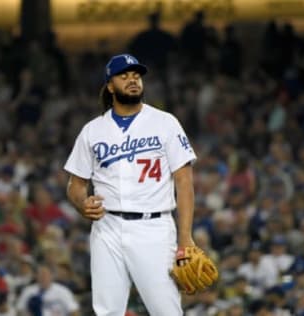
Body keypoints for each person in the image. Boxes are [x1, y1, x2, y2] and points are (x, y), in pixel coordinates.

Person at [64, 54, 197, 315]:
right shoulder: (93, 130)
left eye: (136, 75)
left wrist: (185, 237)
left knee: (166, 310)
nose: (132, 80)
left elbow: (184, 182)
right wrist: (81, 204)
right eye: (123, 76)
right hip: (106, 227)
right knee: (107, 311)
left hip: (154, 227)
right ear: (110, 86)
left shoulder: (165, 122)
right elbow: (75, 184)